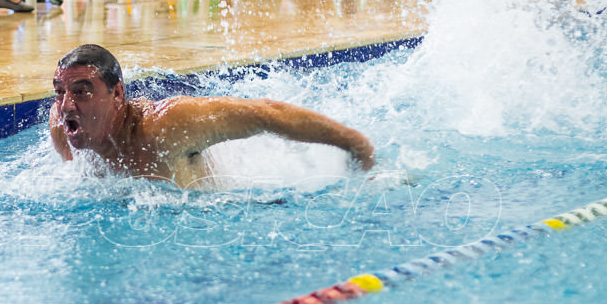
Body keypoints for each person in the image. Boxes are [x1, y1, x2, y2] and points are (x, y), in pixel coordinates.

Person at [49, 44, 375, 187]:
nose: (66, 106)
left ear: (118, 93)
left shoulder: (168, 124)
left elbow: (267, 114)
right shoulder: (63, 126)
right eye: (60, 91)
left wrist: (357, 147)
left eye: (82, 91)